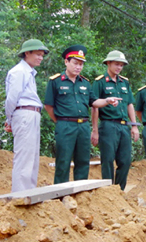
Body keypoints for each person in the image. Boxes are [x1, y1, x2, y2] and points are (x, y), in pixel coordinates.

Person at [44, 45, 121, 184]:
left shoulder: (85, 83)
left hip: (83, 126)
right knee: (63, 161)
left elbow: (94, 102)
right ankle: (61, 195)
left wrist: (107, 101)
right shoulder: (55, 81)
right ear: (66, 62)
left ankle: (80, 194)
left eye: (81, 64)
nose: (78, 67)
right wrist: (59, 121)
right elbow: (48, 105)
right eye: (75, 63)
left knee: (83, 161)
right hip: (65, 125)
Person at [4, 39, 49, 192]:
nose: (40, 58)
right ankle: (19, 195)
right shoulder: (19, 72)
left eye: (42, 55)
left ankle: (29, 193)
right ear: (27, 53)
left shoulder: (29, 72)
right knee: (24, 157)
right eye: (37, 54)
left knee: (32, 157)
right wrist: (9, 119)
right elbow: (12, 98)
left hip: (32, 113)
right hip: (23, 113)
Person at [91, 50, 139, 190]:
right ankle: (108, 191)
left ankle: (119, 190)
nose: (119, 67)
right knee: (108, 160)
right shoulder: (100, 82)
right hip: (108, 125)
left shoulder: (124, 82)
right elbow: (95, 106)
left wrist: (134, 126)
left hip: (124, 126)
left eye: (121, 65)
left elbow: (130, 104)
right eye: (116, 64)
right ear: (108, 63)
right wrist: (95, 130)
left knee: (125, 161)